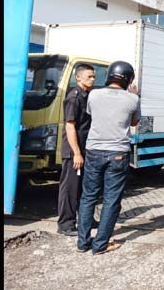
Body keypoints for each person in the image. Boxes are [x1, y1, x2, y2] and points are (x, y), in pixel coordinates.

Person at [76, 61, 141, 255]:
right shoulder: (133, 99)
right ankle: (100, 245)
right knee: (111, 199)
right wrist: (134, 95)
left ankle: (82, 243)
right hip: (118, 153)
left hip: (94, 151)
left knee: (88, 196)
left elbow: (91, 113)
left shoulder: (94, 94)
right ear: (129, 79)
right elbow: (135, 121)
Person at [57, 64, 96, 236]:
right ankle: (65, 224)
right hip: (74, 151)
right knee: (70, 188)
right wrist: (77, 153)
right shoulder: (74, 97)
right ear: (78, 77)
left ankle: (85, 219)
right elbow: (70, 126)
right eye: (89, 76)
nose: (93, 79)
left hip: (84, 149)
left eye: (94, 76)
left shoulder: (87, 95)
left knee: (83, 187)